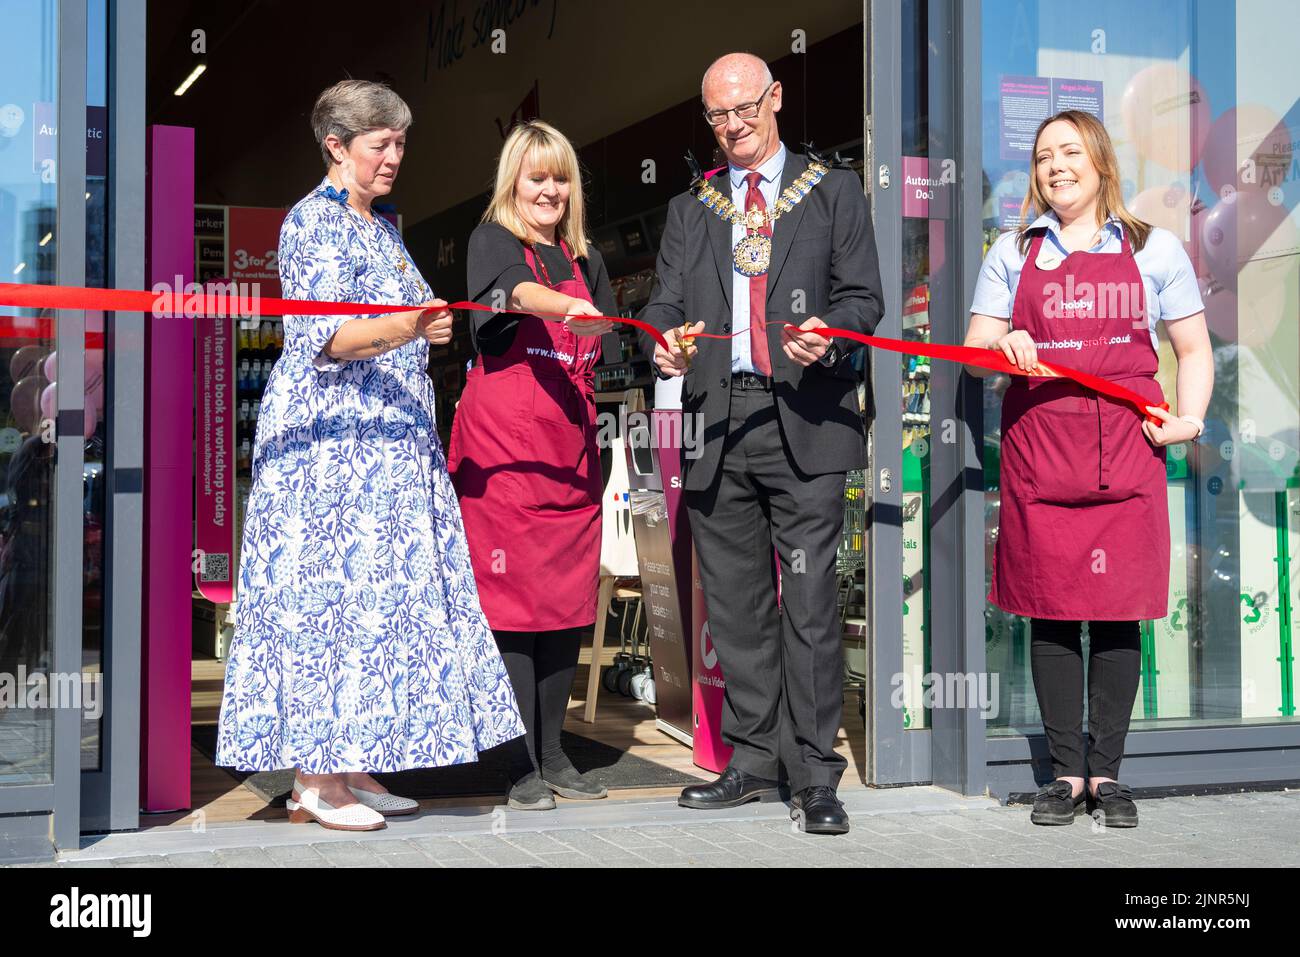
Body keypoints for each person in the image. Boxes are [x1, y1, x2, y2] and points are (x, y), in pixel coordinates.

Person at [216, 80, 525, 831]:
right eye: (380, 144)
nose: (395, 157)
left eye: (400, 143)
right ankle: (316, 779)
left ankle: (348, 764)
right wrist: (409, 326)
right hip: (335, 455)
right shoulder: (312, 223)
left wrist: (423, 327)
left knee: (372, 607)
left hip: (384, 451)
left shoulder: (377, 225)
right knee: (331, 601)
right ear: (337, 146)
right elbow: (327, 338)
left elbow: (397, 318)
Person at [639, 53, 884, 835]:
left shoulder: (834, 189)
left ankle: (814, 774)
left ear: (775, 99)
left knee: (809, 601)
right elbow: (664, 301)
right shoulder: (694, 206)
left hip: (807, 417)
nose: (733, 126)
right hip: (719, 419)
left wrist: (831, 338)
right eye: (717, 115)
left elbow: (863, 298)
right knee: (737, 605)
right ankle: (750, 757)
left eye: (744, 109)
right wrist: (664, 344)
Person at [964, 109, 1213, 829]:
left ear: (1101, 162)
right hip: (1042, 452)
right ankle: (1064, 774)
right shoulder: (1013, 251)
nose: (1055, 166)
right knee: (1048, 608)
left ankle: (1109, 774)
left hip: (1127, 455)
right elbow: (975, 348)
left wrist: (1188, 421)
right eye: (1043, 156)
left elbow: (1192, 353)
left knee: (1116, 616)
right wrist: (1005, 336)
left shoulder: (1153, 249)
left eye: (1070, 152)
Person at [448, 121, 618, 811]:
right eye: (537, 177)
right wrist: (568, 307)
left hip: (570, 456)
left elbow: (604, 334)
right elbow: (517, 293)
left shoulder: (590, 258)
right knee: (513, 611)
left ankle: (554, 751)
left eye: (561, 177)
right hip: (506, 458)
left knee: (565, 607)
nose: (550, 189)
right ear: (513, 182)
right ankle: (516, 761)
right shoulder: (492, 240)